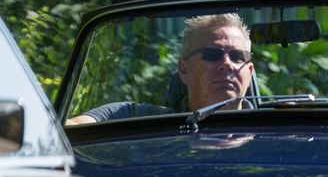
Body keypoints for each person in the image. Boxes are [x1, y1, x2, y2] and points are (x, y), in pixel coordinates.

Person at [68, 12, 254, 124]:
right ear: (183, 70)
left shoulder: (274, 129)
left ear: (250, 71)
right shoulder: (138, 120)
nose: (226, 64)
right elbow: (67, 130)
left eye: (238, 57)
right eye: (212, 55)